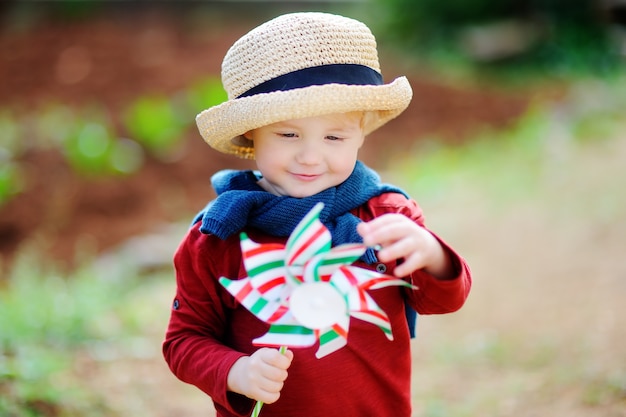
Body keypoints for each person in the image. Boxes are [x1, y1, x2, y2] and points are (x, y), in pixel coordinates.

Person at [163, 12, 471, 417]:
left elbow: (442, 299)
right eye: (288, 134)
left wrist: (433, 256)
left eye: (334, 137)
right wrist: (236, 371)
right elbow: (184, 340)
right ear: (250, 134)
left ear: (361, 131)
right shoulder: (219, 234)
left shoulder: (387, 217)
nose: (310, 156)